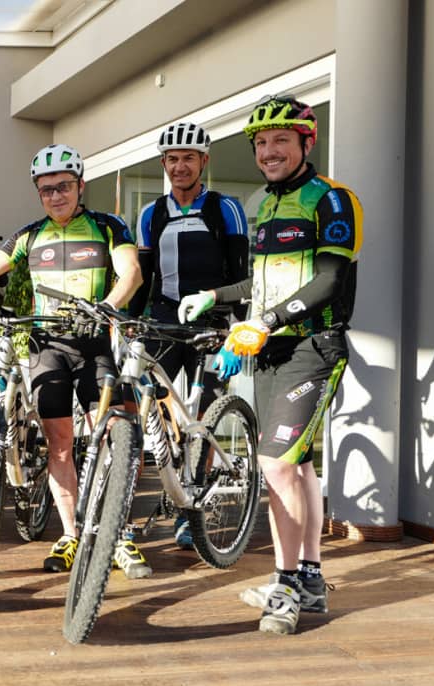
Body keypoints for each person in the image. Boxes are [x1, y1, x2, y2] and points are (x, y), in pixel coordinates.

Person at [178, 96, 362, 635]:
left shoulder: (330, 200)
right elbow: (262, 280)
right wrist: (216, 294)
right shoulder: (268, 203)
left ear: (307, 142)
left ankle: (284, 584)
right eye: (260, 143)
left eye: (280, 139)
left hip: (312, 347)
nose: (268, 151)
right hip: (269, 350)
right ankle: (308, 577)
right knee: (298, 465)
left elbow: (328, 279)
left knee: (276, 464)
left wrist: (268, 321)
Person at [0, 143, 144, 575]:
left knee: (116, 436)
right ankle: (72, 533)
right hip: (48, 349)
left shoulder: (107, 227)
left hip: (93, 343)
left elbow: (130, 273)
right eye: (46, 190)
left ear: (80, 186)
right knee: (59, 445)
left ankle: (120, 533)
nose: (56, 196)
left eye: (63, 187)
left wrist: (107, 307)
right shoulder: (29, 235)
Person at [133, 122, 249, 549]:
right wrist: (127, 322)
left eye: (188, 158)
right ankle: (169, 487)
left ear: (204, 162)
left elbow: (242, 275)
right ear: (163, 164)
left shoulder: (225, 208)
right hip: (165, 319)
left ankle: (190, 509)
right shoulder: (152, 213)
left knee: (202, 416)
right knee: (158, 411)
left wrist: (238, 329)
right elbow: (144, 278)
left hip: (213, 320)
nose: (179, 166)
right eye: (172, 159)